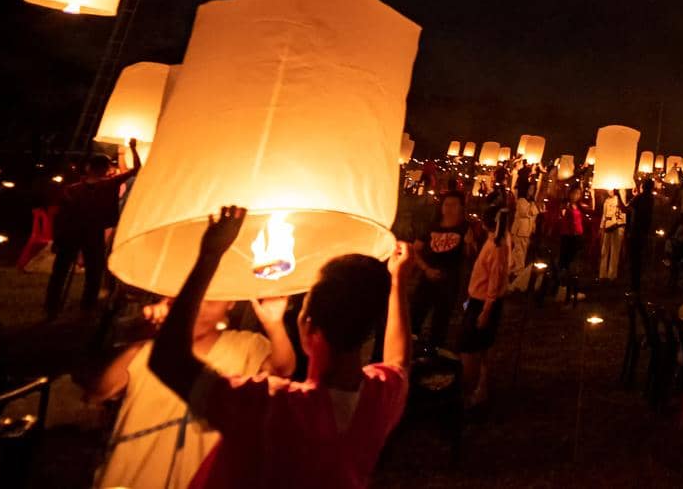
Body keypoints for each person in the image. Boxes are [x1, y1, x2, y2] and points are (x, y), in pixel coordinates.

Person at [150, 207, 412, 488]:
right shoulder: (380, 399)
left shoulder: (270, 408)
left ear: (308, 326)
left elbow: (167, 359)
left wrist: (210, 255)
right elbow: (398, 359)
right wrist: (398, 281)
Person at [85, 295, 295, 488]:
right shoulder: (150, 350)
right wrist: (148, 339)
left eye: (212, 300)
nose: (199, 307)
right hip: (135, 474)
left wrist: (274, 324)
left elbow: (282, 367)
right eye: (194, 296)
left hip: (199, 474)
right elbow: (100, 390)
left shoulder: (245, 346)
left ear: (230, 302)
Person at [46, 140, 140, 319]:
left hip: (71, 233)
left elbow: (61, 217)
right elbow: (137, 169)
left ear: (88, 167)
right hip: (92, 232)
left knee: (61, 272)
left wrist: (57, 238)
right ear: (105, 169)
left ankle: (52, 307)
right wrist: (133, 149)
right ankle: (86, 307)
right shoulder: (109, 185)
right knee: (93, 273)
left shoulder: (72, 190)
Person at [459, 209, 508, 408]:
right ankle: (481, 388)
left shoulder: (497, 246)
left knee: (470, 348)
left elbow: (495, 280)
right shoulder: (494, 240)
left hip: (483, 303)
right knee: (484, 346)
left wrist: (486, 311)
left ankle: (469, 392)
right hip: (479, 300)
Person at [411, 191, 469, 352]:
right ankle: (410, 348)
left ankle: (434, 352)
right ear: (441, 207)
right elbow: (414, 250)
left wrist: (470, 243)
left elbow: (471, 255)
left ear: (461, 207)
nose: (449, 208)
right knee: (416, 314)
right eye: (446, 204)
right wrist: (425, 268)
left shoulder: (465, 229)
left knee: (441, 320)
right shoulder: (432, 227)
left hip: (450, 283)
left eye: (454, 205)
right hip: (426, 280)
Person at [625, 178, 655, 292]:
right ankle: (637, 285)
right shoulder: (650, 199)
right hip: (645, 232)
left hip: (636, 232)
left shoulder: (639, 198)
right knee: (640, 259)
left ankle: (634, 286)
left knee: (634, 259)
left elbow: (626, 209)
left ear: (643, 186)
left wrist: (618, 195)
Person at [556, 187, 587, 277]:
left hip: (577, 234)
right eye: (575, 193)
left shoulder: (579, 206)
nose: (576, 196)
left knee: (573, 254)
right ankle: (562, 272)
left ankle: (570, 272)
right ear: (570, 194)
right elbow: (562, 216)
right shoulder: (566, 204)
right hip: (567, 234)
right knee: (565, 254)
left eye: (578, 194)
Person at [598, 189, 626, 281]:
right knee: (604, 249)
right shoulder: (606, 200)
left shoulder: (620, 197)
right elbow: (604, 214)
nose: (610, 190)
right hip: (608, 225)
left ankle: (612, 275)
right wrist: (601, 226)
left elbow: (623, 209)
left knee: (615, 250)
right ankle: (602, 274)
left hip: (617, 226)